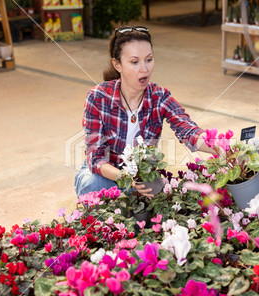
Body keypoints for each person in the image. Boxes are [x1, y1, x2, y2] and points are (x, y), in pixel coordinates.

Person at [74, 26, 214, 198]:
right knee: (95, 185)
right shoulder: (98, 97)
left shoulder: (159, 96)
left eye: (149, 59)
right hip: (106, 173)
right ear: (117, 64)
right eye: (135, 62)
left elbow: (188, 130)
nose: (144, 69)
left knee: (157, 198)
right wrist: (125, 178)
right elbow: (95, 157)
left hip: (141, 175)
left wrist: (223, 148)